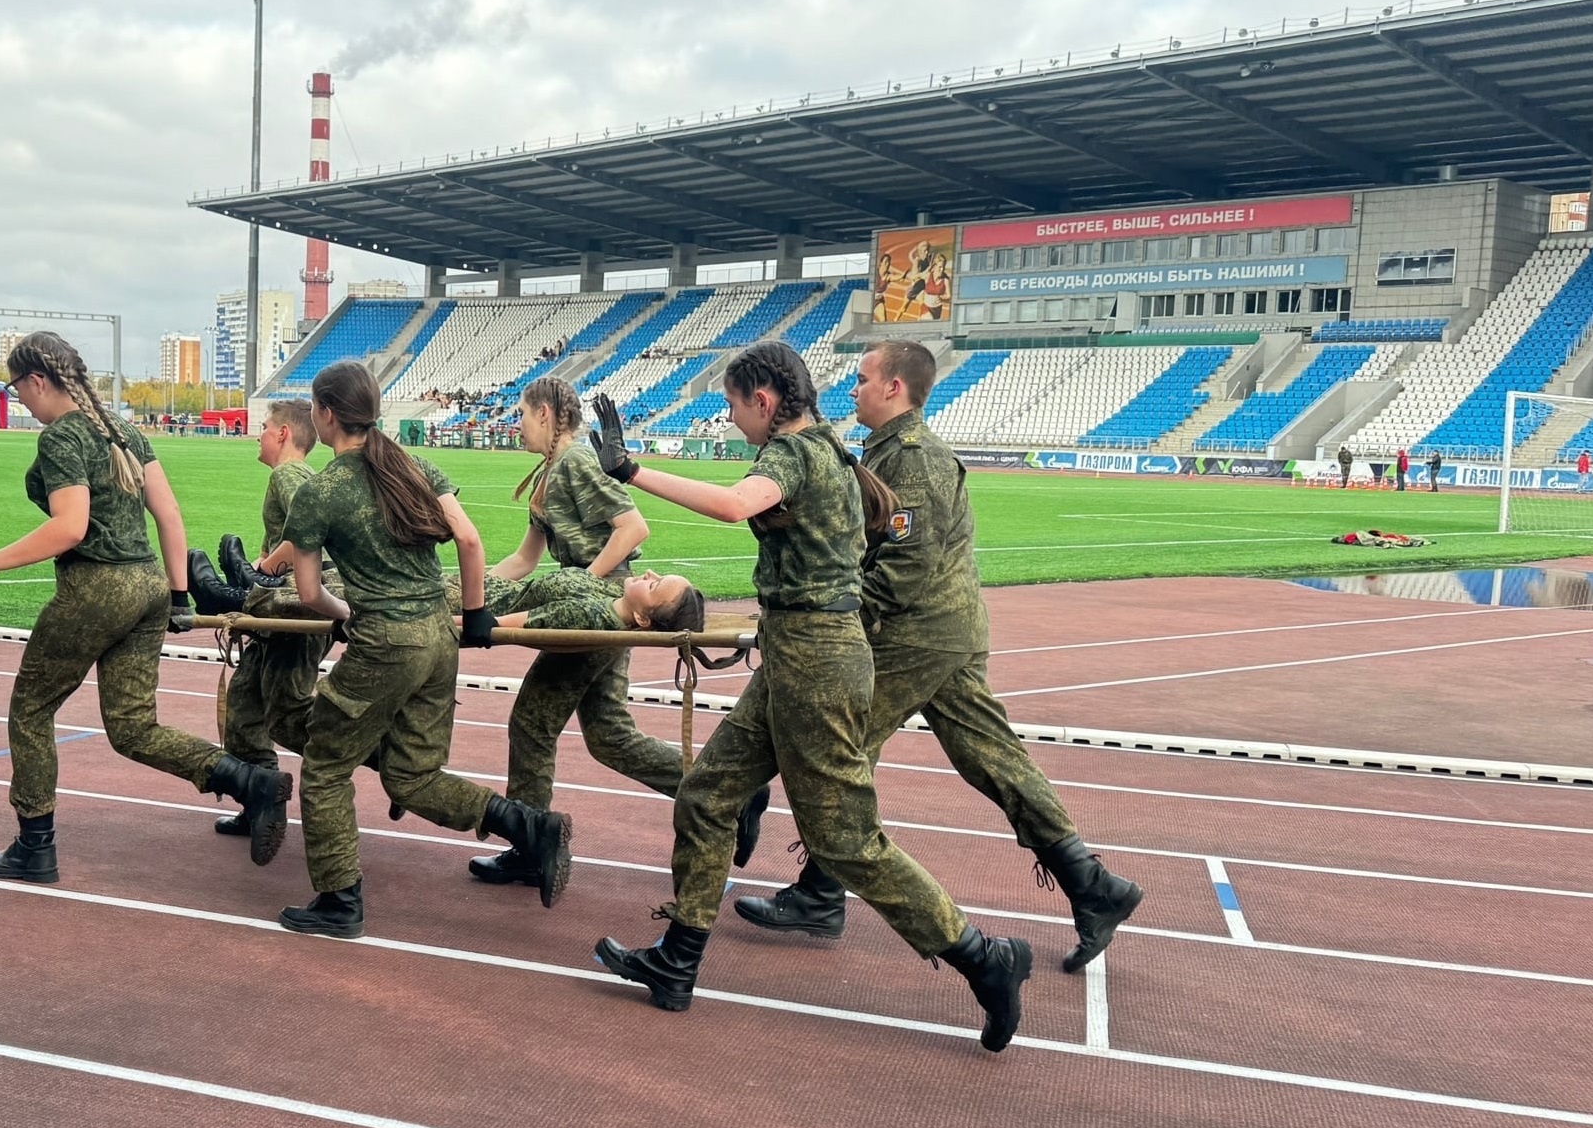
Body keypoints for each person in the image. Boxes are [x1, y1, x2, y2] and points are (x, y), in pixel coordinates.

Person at [585, 344, 1034, 1052]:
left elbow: (734, 507)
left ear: (763, 401)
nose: (729, 420)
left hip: (817, 664)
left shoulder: (792, 454)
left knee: (844, 839)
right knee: (705, 793)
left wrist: (630, 469)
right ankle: (677, 960)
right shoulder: (828, 443)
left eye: (733, 406)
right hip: (798, 653)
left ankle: (983, 956)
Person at [735, 339, 1143, 973]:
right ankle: (1095, 887)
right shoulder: (884, 452)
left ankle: (821, 893)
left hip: (915, 634)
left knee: (831, 756)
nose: (854, 389)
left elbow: (904, 570)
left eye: (865, 378)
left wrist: (832, 620)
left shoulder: (916, 461)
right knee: (993, 760)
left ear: (895, 388)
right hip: (945, 632)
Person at [0, 331, 291, 881]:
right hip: (148, 586)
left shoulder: (62, 439)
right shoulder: (125, 432)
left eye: (18, 389)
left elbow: (69, 527)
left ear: (37, 381)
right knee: (132, 728)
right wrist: (177, 593)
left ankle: (35, 847)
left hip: (97, 590)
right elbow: (169, 514)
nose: (22, 402)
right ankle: (251, 782)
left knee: (30, 710)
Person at [274, 359, 572, 939]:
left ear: (326, 414)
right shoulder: (415, 466)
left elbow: (310, 593)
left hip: (386, 643)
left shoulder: (319, 492)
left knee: (325, 768)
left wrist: (344, 615)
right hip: (440, 635)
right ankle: (530, 827)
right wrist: (476, 611)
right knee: (412, 776)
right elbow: (467, 536)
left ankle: (340, 900)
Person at [465, 375, 748, 885]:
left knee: (531, 723)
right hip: (600, 600)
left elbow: (634, 528)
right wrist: (474, 593)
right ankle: (727, 789)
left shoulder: (576, 462)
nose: (517, 424)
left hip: (605, 604)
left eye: (523, 415)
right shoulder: (550, 470)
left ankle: (530, 844)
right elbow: (525, 559)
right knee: (610, 736)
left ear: (547, 415)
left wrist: (582, 584)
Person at [183, 398, 331, 842]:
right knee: (245, 709)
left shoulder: (290, 475)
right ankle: (261, 800)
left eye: (265, 426)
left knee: (290, 715)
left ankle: (389, 760)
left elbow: (316, 532)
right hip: (280, 608)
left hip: (295, 611)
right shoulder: (295, 476)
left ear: (284, 434)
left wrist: (267, 572)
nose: (259, 433)